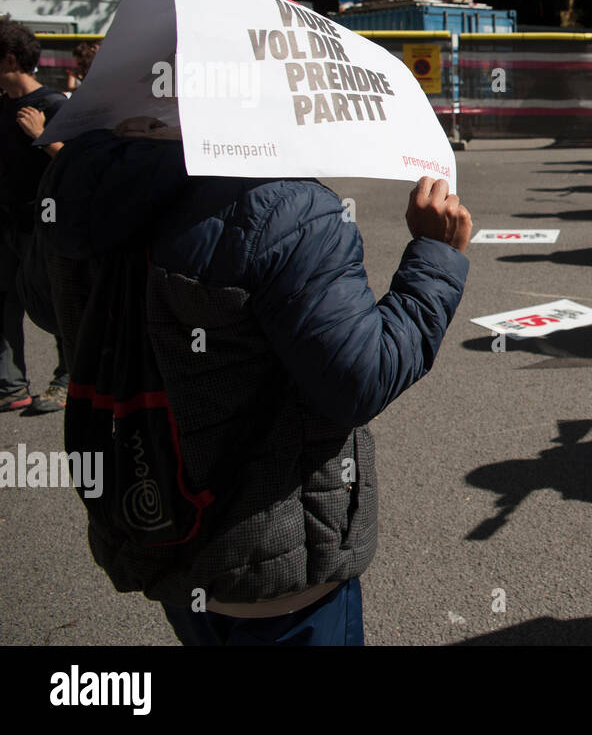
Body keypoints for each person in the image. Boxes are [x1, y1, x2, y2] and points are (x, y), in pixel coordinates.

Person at [22, 115, 472, 646]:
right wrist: (435, 256)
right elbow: (358, 380)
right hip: (278, 561)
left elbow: (48, 307)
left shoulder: (77, 177)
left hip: (156, 525)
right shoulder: (288, 206)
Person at [0, 19, 68, 414]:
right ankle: (11, 385)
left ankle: (66, 379)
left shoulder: (53, 105)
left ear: (10, 59)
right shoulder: (2, 106)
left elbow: (78, 166)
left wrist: (42, 137)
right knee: (4, 302)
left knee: (55, 302)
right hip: (5, 222)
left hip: (42, 224)